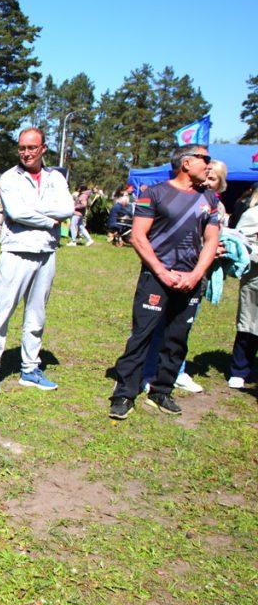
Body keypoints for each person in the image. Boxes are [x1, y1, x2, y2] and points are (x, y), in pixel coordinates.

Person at [107, 145, 221, 420]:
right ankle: (124, 394)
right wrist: (162, 271)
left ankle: (161, 391)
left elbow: (211, 241)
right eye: (204, 159)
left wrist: (195, 275)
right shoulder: (154, 194)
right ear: (186, 163)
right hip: (156, 278)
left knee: (177, 339)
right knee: (142, 335)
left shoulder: (210, 198)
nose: (209, 164)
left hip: (191, 279)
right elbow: (138, 236)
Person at [0, 127, 73, 394]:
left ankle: (30, 369)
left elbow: (67, 208)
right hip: (16, 253)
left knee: (36, 316)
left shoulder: (55, 177)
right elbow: (17, 212)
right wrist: (50, 219)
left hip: (46, 253)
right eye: (22, 148)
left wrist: (36, 211)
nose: (26, 153)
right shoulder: (10, 177)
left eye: (32, 147)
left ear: (43, 148)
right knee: (1, 313)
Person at [228, 193, 258, 388]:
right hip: (256, 277)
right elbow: (241, 245)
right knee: (249, 322)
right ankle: (239, 369)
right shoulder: (253, 215)